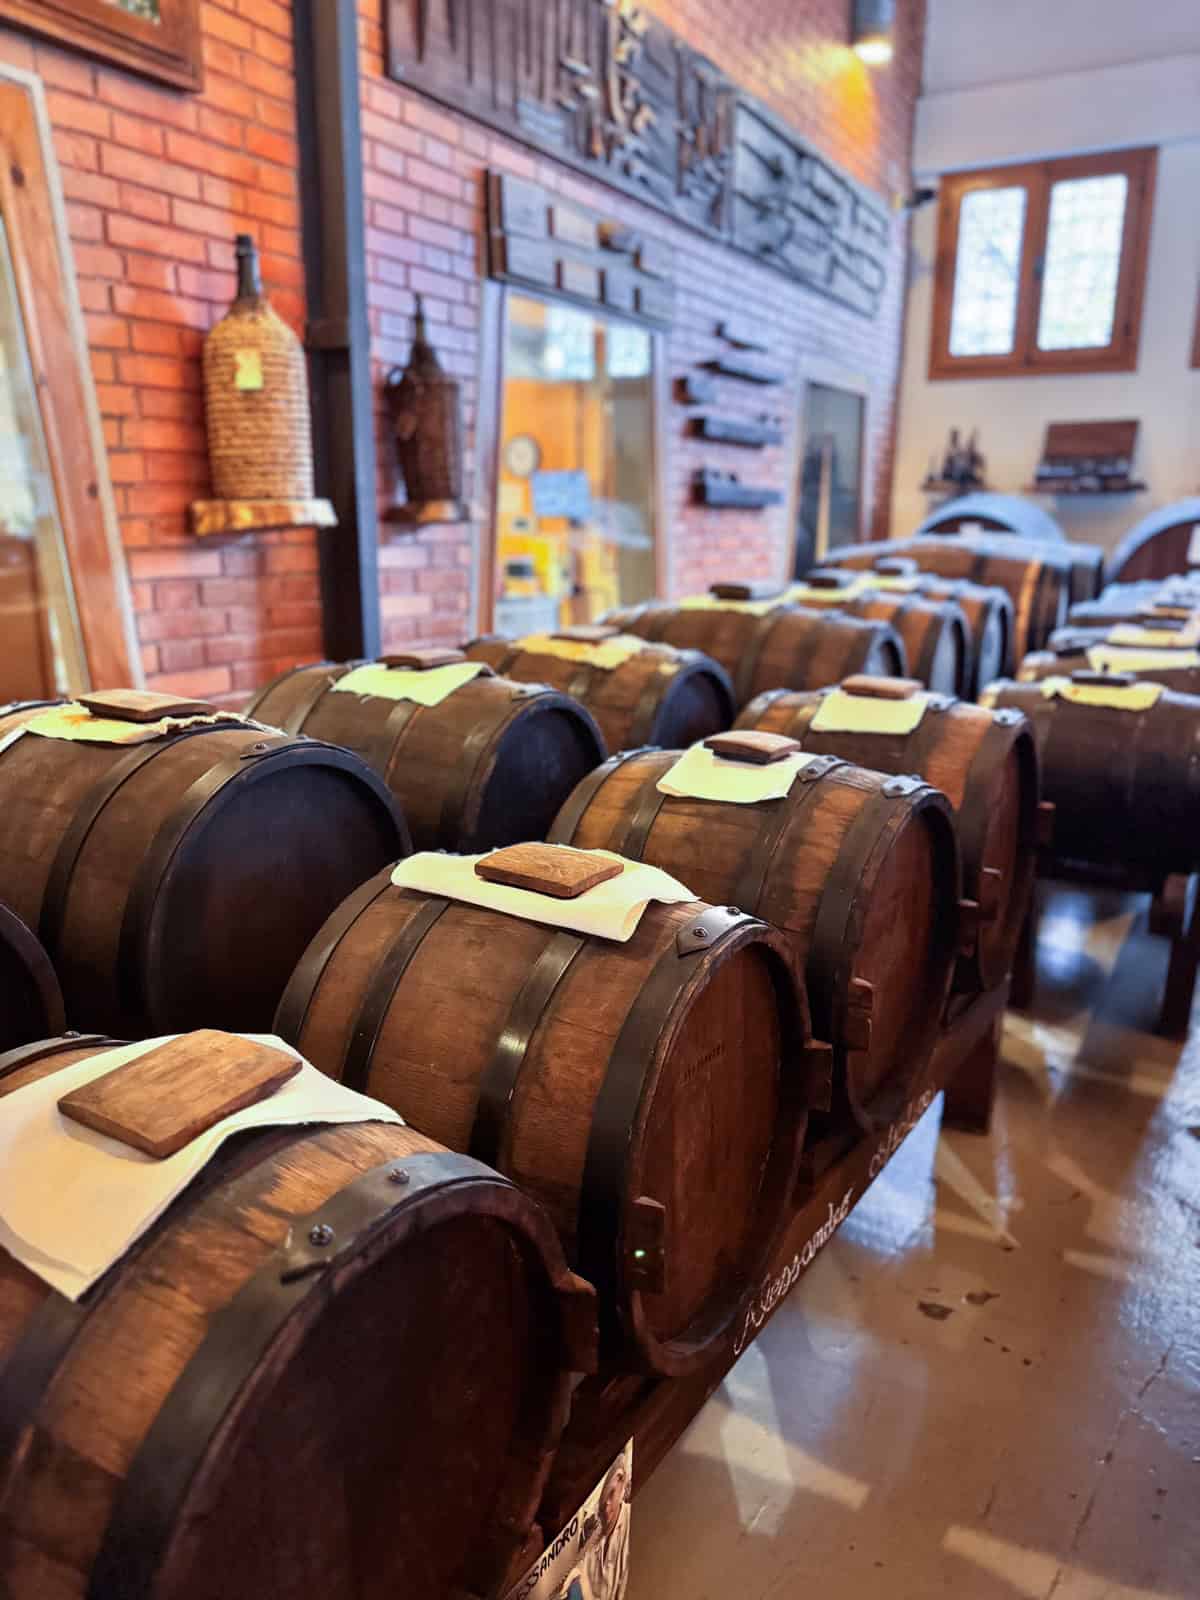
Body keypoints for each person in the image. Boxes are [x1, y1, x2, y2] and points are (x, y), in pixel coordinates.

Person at [558, 1454, 630, 1600]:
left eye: (612, 1494)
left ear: (622, 1485)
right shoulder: (593, 1520)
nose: (607, 1505)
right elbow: (575, 1568)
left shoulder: (630, 1527)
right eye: (605, 1497)